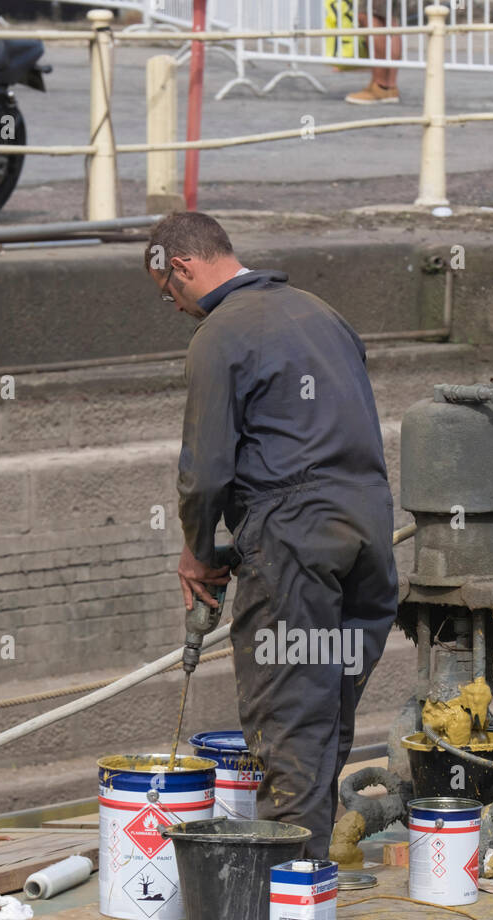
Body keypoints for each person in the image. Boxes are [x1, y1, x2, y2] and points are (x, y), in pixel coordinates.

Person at [145, 212, 398, 859]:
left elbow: (203, 474)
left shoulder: (220, 334)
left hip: (294, 542)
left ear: (180, 265)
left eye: (166, 292)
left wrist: (198, 553)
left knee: (288, 715)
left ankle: (286, 900)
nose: (172, 306)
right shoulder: (320, 313)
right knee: (327, 706)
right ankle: (312, 878)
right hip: (366, 537)